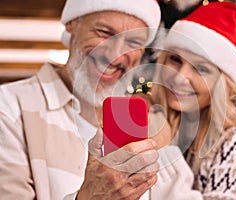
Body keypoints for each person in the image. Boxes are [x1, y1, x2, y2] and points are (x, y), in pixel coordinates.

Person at [0, 0, 162, 199]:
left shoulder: (144, 124)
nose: (116, 55)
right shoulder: (8, 107)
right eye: (104, 32)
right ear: (72, 25)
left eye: (134, 42)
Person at [147, 1, 236, 199]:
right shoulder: (179, 120)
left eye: (201, 69)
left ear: (223, 83)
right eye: (175, 60)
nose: (179, 77)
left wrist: (161, 156)